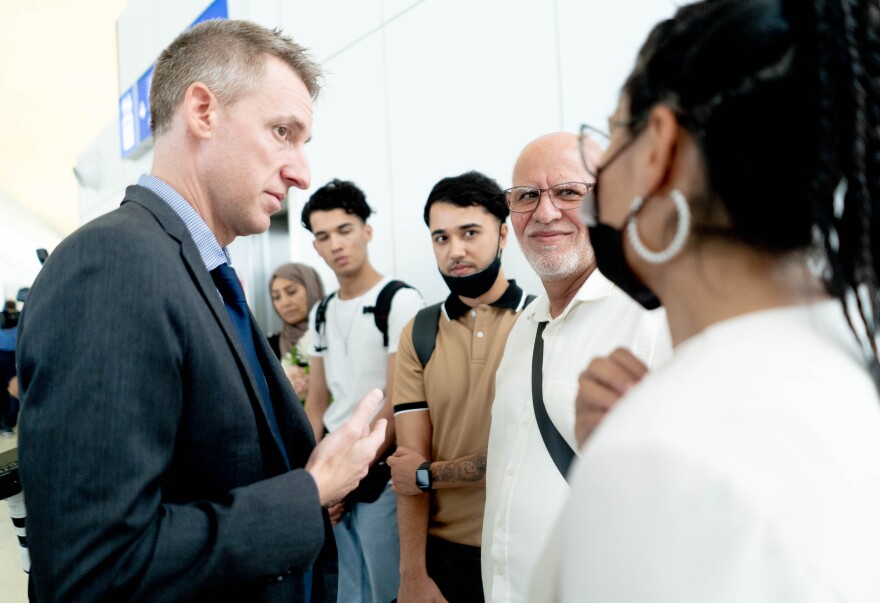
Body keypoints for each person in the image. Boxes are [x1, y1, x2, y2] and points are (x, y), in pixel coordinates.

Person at [16, 19, 388, 602]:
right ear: (203, 112)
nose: (301, 171)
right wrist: (307, 492)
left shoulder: (194, 269)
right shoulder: (114, 263)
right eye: (281, 132)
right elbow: (96, 567)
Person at [546, 0, 880, 601]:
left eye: (611, 134)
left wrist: (634, 465)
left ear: (657, 151)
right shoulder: (851, 355)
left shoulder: (662, 455)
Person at [481, 132, 671, 602]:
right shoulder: (525, 326)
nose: (544, 214)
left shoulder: (651, 319)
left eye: (568, 193)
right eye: (526, 196)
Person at [389, 171, 532, 602]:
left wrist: (426, 476)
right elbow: (409, 459)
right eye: (441, 238)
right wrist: (412, 574)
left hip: (525, 548)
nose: (455, 251)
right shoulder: (420, 331)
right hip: (444, 559)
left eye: (470, 232)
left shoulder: (540, 321)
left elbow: (525, 454)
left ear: (503, 234)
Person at [302, 179, 424, 602]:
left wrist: (350, 475)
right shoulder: (321, 312)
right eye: (323, 236)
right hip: (335, 470)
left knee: (385, 589)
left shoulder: (399, 300)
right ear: (315, 247)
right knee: (346, 590)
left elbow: (398, 398)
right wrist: (315, 474)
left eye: (345, 229)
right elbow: (317, 401)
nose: (335, 244)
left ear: (366, 231)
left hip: (377, 471)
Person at [268, 262, 325, 399]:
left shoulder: (335, 337)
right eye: (276, 297)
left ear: (312, 289)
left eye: (291, 292)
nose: (284, 303)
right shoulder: (268, 347)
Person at [0, 300, 18, 436]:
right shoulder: (19, 321)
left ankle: (5, 423)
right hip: (11, 357)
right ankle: (7, 424)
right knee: (12, 390)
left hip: (3, 355)